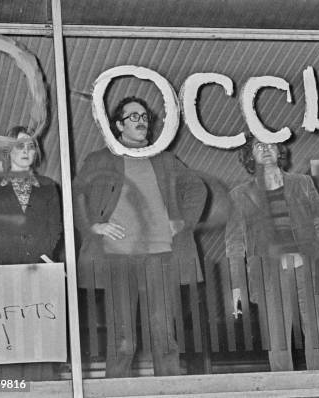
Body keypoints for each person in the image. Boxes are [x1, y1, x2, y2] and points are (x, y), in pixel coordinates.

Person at [73, 97, 207, 378]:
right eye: (133, 116)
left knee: (164, 334)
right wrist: (94, 226)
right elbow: (76, 196)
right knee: (122, 341)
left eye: (145, 116)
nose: (142, 121)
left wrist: (183, 222)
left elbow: (197, 188)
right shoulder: (99, 159)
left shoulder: (165, 159)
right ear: (118, 126)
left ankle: (169, 392)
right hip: (117, 258)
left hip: (160, 256)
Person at [225, 136, 319, 372]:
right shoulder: (239, 194)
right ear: (249, 156)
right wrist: (236, 285)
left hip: (306, 266)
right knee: (277, 336)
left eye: (270, 144)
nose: (265, 149)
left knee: (316, 331)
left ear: (279, 151)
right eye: (258, 146)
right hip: (268, 272)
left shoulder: (303, 183)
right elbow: (234, 243)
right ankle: (284, 388)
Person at [0, 125, 62, 380]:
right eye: (19, 145)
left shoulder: (48, 186)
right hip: (3, 268)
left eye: (31, 146)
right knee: (7, 334)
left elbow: (54, 227)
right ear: (7, 151)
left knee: (39, 333)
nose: (26, 151)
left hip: (40, 267)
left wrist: (36, 255)